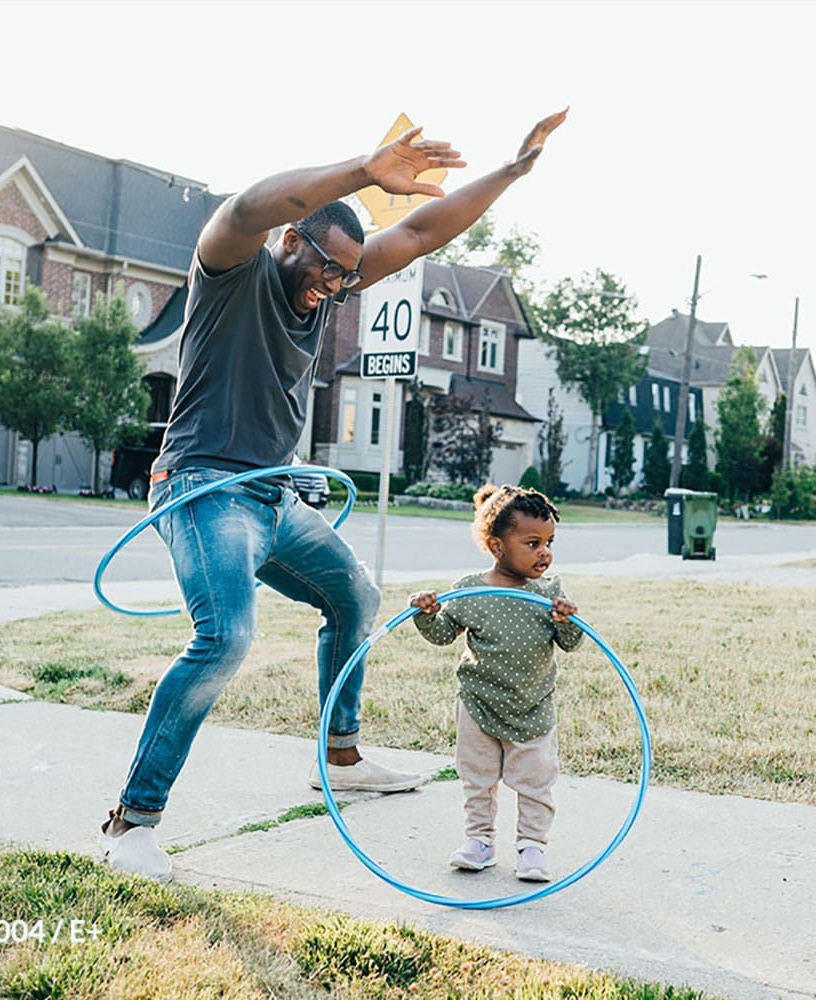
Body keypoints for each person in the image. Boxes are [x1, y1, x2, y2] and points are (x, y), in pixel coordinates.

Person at [100, 109, 568, 881]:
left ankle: (340, 754)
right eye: (327, 269)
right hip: (202, 486)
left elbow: (419, 235)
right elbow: (248, 209)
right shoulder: (230, 273)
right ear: (293, 242)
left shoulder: (330, 283)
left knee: (355, 596)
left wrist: (511, 172)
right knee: (224, 640)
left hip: (276, 496)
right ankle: (131, 821)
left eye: (348, 276)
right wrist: (361, 170)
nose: (336, 286)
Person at [409, 484, 583, 882]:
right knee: (478, 779)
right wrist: (424, 613)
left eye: (550, 542)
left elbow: (570, 644)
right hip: (478, 703)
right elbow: (441, 634)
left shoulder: (549, 593)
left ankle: (532, 848)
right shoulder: (471, 589)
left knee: (536, 782)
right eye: (533, 542)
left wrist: (567, 620)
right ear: (497, 545)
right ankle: (480, 842)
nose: (545, 552)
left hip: (533, 707)